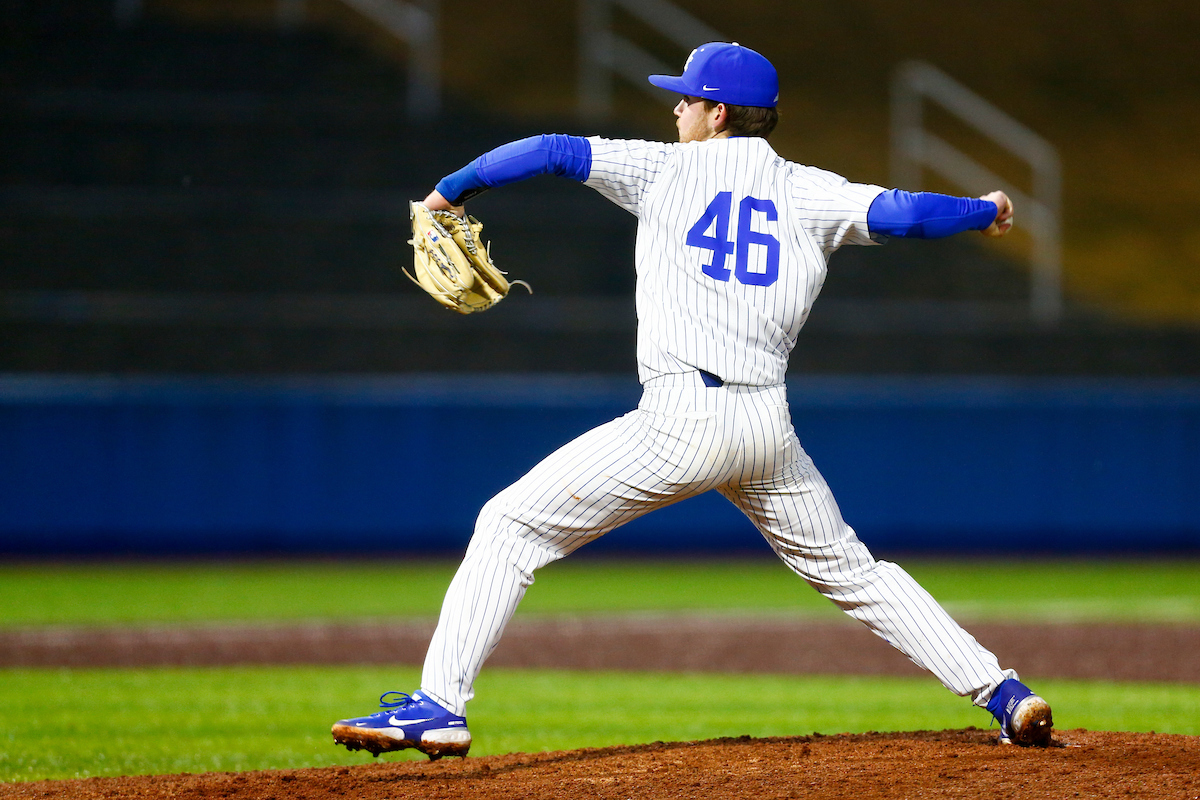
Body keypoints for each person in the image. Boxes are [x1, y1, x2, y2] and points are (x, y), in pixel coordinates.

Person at [330, 42, 1053, 760]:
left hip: (681, 421)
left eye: (687, 98)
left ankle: (440, 706)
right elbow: (905, 214)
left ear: (718, 114)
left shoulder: (661, 169)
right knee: (853, 573)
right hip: (766, 429)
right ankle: (1004, 693)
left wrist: (447, 192)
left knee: (509, 528)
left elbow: (549, 150)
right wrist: (982, 209)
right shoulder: (808, 190)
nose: (676, 108)